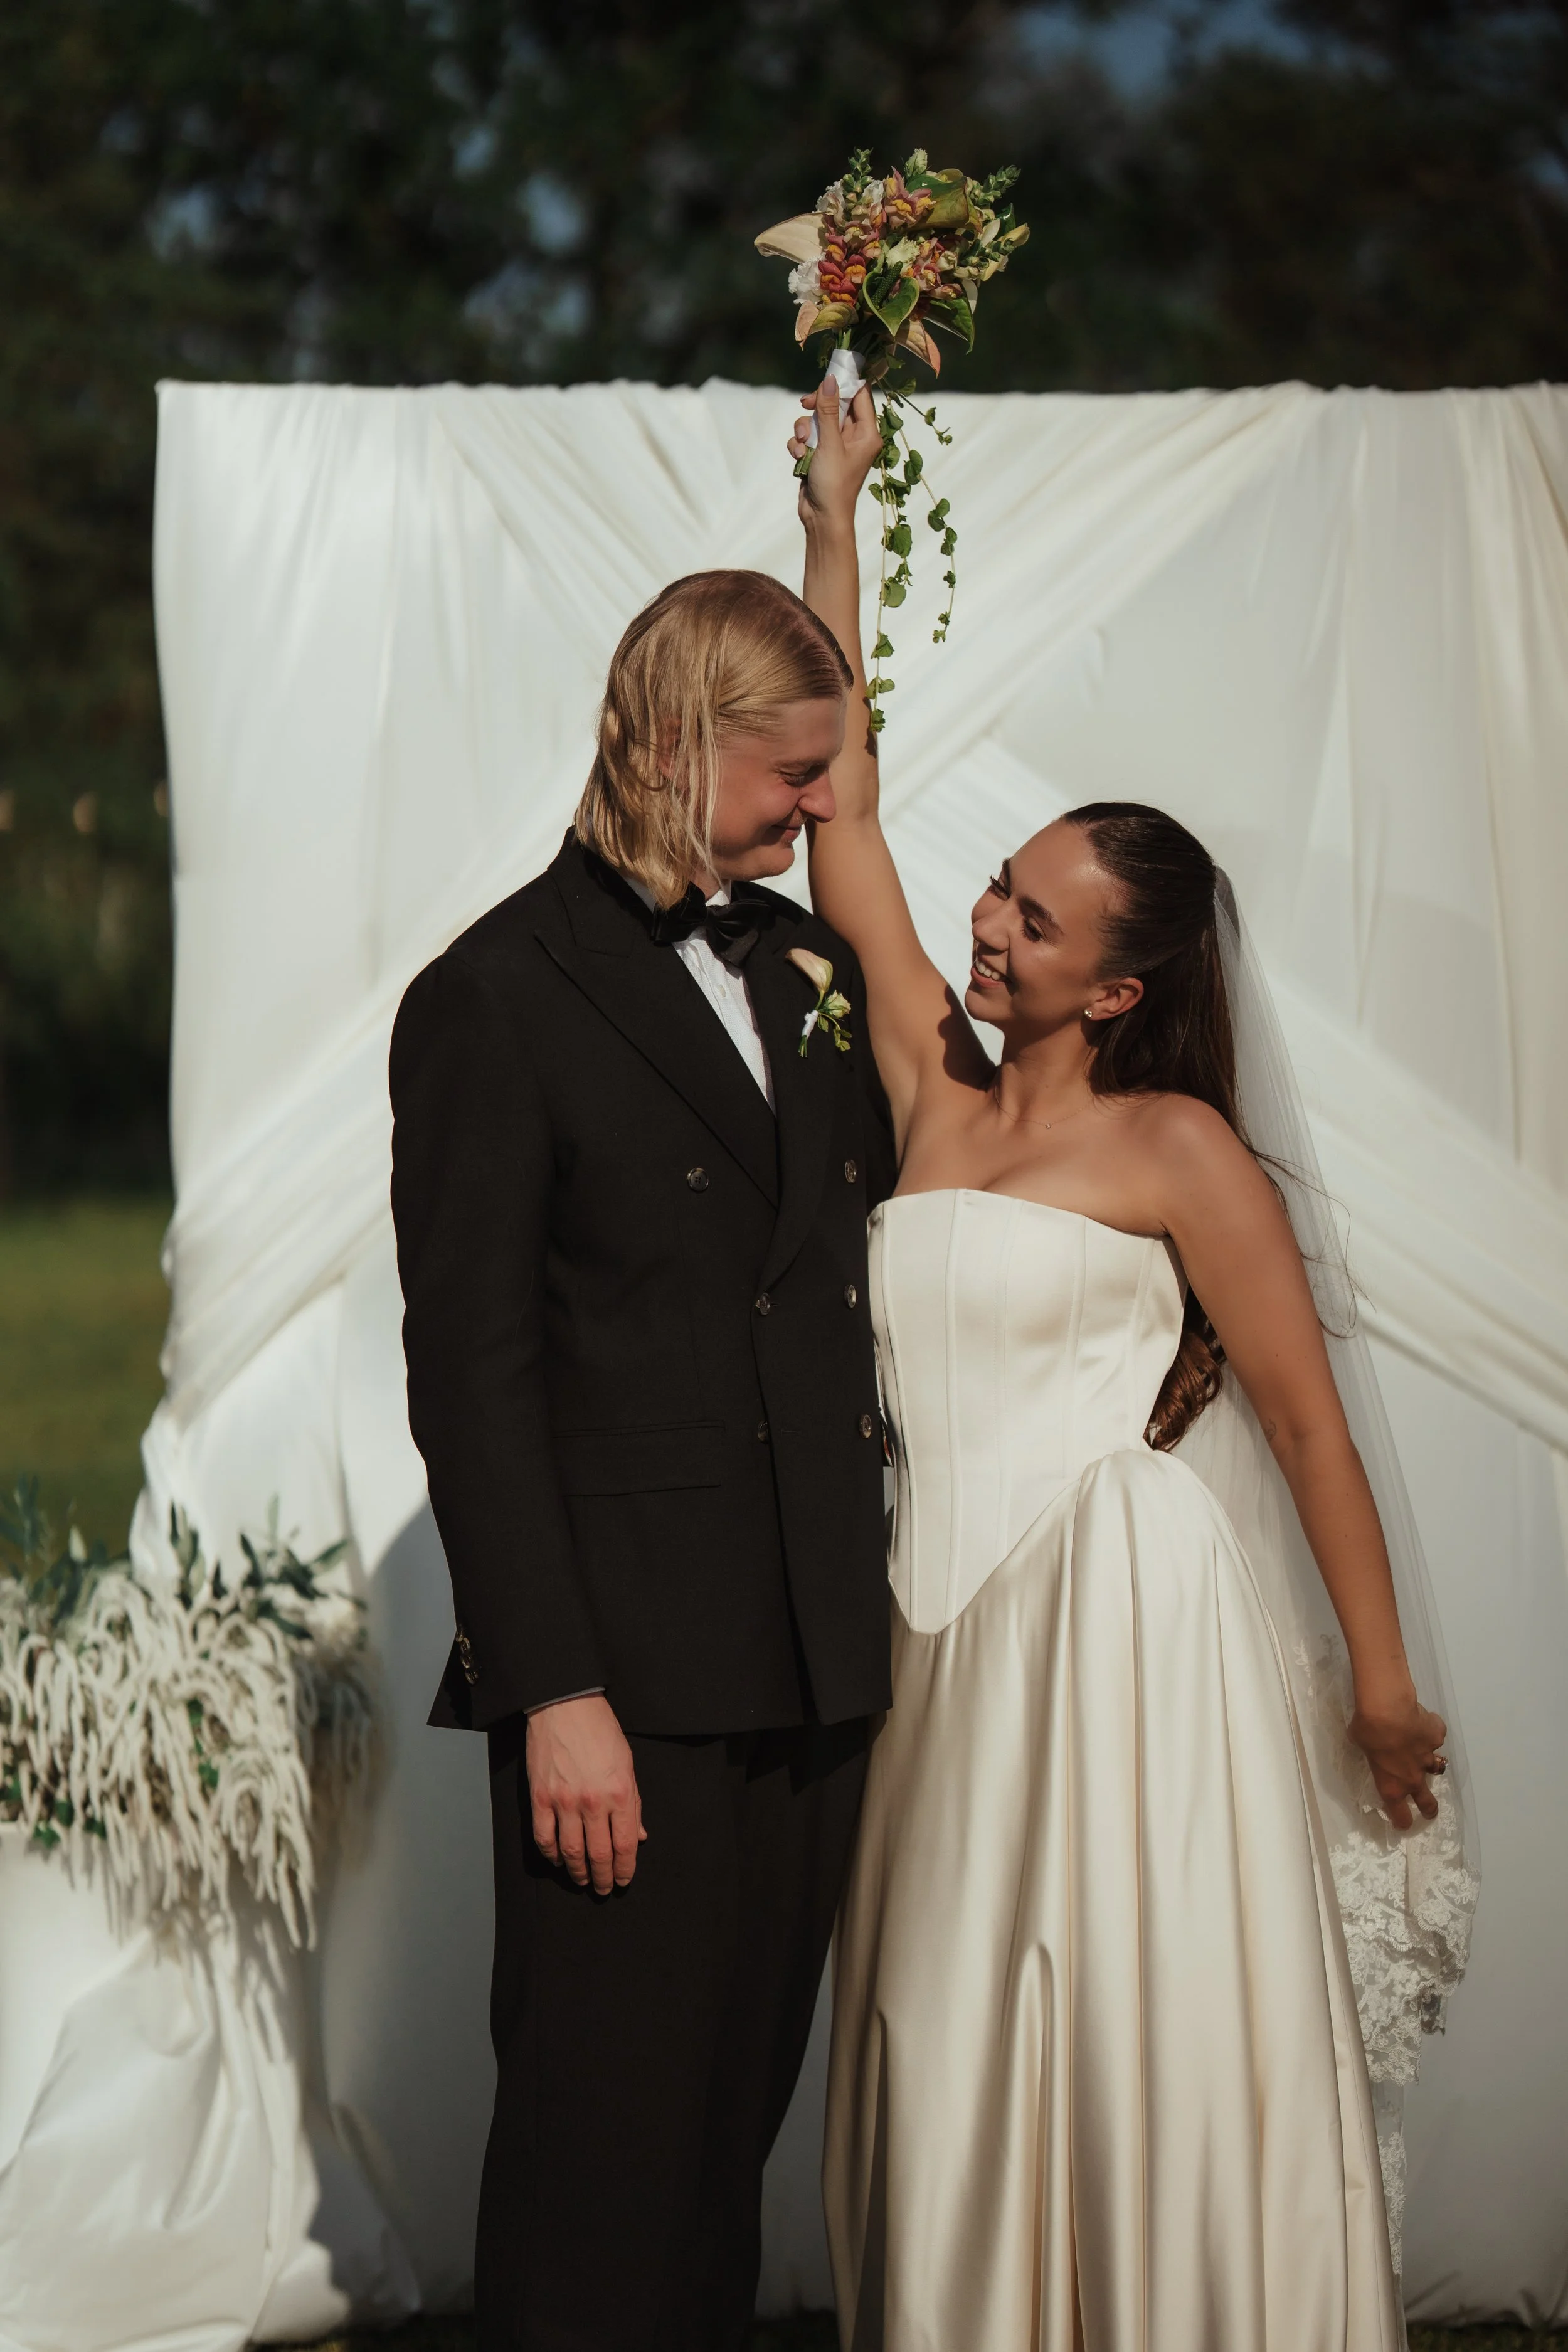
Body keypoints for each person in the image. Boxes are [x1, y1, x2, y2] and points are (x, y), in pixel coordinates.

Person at [788, 372, 1458, 2349]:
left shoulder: (1177, 1153)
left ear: (1121, 981)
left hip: (1112, 1627)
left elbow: (1309, 1430)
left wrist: (1381, 1682)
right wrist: (831, 515)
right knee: (937, 2006)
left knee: (1108, 2009)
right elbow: (843, 810)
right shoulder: (931, 1079)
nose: (989, 922)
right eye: (1000, 886)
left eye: (1035, 915)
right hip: (928, 1631)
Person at [388, 568, 898, 2352]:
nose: (819, 806)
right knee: (598, 2148)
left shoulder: (812, 969)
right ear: (681, 744)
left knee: (721, 2147)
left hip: (814, 1651)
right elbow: (472, 1377)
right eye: (793, 774)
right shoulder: (492, 996)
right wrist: (557, 1690)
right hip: (627, 1676)